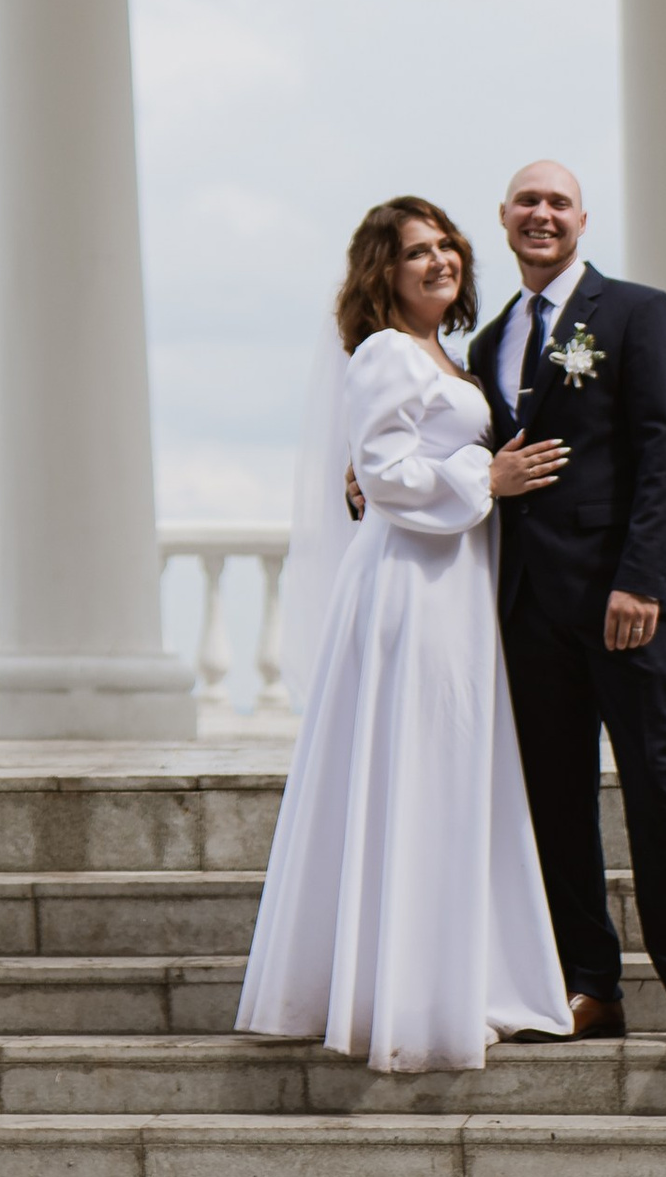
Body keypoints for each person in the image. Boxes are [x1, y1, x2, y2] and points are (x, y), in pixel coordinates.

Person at [237, 198, 572, 1072]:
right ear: (383, 272)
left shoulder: (448, 357)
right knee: (419, 768)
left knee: (453, 772)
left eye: (448, 247)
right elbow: (385, 477)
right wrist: (486, 474)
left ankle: (454, 977)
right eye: (418, 252)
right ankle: (407, 995)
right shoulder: (386, 352)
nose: (440, 262)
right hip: (413, 591)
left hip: (456, 587)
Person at [471, 160, 666, 1047]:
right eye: (525, 202)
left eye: (557, 203)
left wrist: (639, 579)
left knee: (659, 784)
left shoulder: (637, 312)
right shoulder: (489, 341)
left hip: (631, 601)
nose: (541, 215)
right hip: (529, 609)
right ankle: (590, 984)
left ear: (584, 218)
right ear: (503, 220)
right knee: (555, 796)